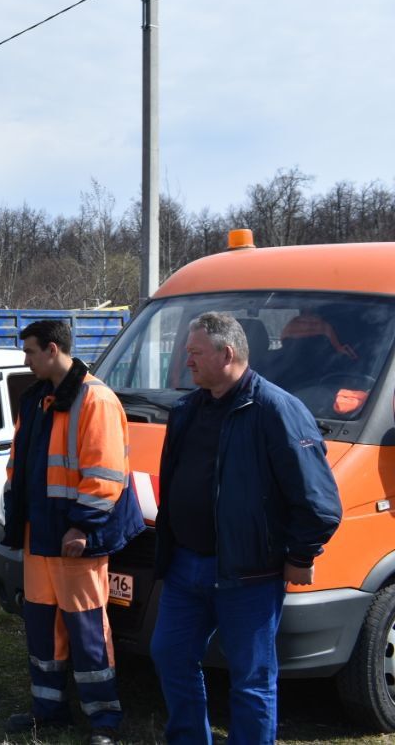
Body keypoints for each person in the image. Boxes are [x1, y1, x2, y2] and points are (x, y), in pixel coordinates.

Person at [150, 312, 342, 745]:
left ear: (227, 354)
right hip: (185, 568)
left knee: (251, 678)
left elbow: (319, 501)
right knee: (169, 655)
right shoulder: (185, 410)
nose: (187, 361)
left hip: (249, 575)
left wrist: (300, 555)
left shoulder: (276, 410)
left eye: (195, 353)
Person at [0, 319, 142, 745]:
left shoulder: (95, 399)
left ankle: (104, 719)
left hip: (74, 539)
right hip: (40, 536)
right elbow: (19, 466)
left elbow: (105, 475)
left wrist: (82, 526)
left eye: (29, 352)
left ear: (52, 349)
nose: (25, 361)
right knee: (42, 627)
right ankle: (49, 709)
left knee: (86, 628)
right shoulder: (37, 398)